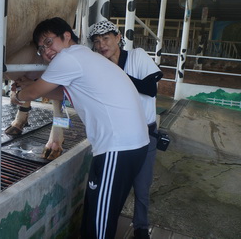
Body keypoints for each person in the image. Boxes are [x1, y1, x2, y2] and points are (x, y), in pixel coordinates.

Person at [10, 17, 150, 239]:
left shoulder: (68, 58)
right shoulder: (86, 58)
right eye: (41, 48)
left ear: (67, 36)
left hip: (118, 147)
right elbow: (67, 95)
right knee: (97, 211)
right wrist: (33, 86)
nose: (46, 51)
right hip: (127, 146)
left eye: (49, 42)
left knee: (99, 226)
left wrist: (18, 95)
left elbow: (32, 94)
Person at [88, 20, 163, 239]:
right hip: (116, 137)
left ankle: (140, 228)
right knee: (113, 188)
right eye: (97, 41)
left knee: (141, 187)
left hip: (145, 134)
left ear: (118, 37)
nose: (102, 45)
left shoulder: (137, 56)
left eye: (106, 39)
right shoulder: (99, 67)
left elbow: (150, 89)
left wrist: (115, 72)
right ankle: (108, 224)